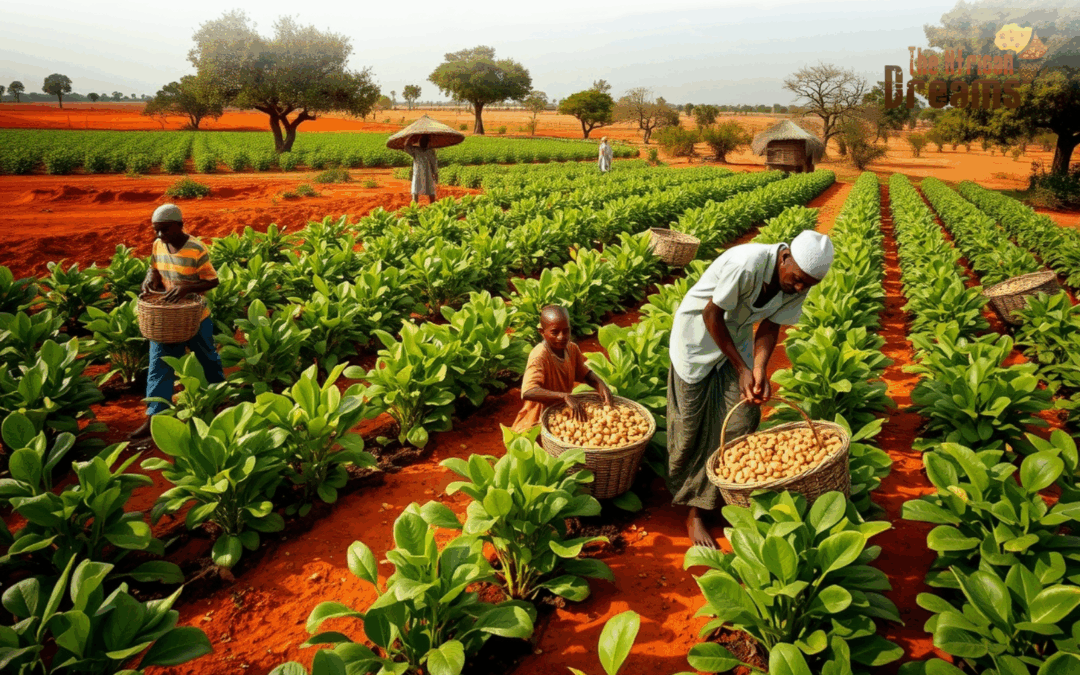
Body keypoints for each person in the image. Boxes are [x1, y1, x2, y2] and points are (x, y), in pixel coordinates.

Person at [667, 230, 834, 549]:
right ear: (785, 258)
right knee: (689, 424)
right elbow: (711, 314)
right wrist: (742, 368)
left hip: (736, 338)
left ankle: (703, 506)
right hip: (696, 337)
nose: (799, 288)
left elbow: (771, 326)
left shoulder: (801, 278)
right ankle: (689, 501)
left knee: (743, 419)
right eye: (797, 280)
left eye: (806, 286)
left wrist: (758, 369)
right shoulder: (747, 264)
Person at [129, 203, 225, 440]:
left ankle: (221, 402)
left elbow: (212, 281)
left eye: (165, 229)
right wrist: (148, 280)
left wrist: (186, 288)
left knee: (208, 360)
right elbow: (154, 268)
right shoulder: (158, 244)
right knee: (158, 368)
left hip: (195, 316)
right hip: (166, 318)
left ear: (180, 226)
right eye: (156, 230)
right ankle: (155, 419)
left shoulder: (195, 249)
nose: (160, 235)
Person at [512, 305, 614, 433]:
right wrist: (563, 396)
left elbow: (583, 372)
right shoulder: (539, 356)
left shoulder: (572, 348)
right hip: (538, 417)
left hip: (563, 412)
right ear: (542, 332)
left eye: (566, 331)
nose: (561, 337)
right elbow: (528, 391)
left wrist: (600, 383)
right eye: (555, 332)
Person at [403, 134, 439, 204]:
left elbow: (434, 162)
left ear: (428, 142)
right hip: (418, 172)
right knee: (415, 190)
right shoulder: (416, 150)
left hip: (427, 173)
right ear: (419, 142)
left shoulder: (430, 151)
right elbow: (406, 147)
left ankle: (433, 205)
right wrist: (410, 139)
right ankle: (415, 206)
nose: (423, 143)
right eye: (422, 141)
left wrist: (435, 173)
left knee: (430, 190)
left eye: (425, 141)